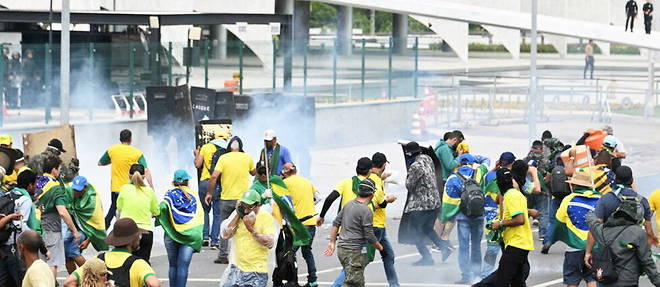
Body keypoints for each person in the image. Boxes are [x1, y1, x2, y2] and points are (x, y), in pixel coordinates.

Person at [64, 218, 161, 287]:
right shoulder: (139, 264)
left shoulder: (98, 260)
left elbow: (69, 282)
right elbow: (154, 284)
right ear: (132, 240)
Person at [323, 178, 384, 287]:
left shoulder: (348, 205)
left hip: (342, 250)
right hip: (354, 252)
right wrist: (380, 247)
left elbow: (336, 223)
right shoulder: (366, 210)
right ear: (372, 194)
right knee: (354, 283)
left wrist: (332, 242)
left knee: (351, 278)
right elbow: (369, 235)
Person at [398, 142, 451, 266]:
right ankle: (444, 248)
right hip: (435, 200)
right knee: (427, 228)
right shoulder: (428, 159)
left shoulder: (415, 166)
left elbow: (409, 185)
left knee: (413, 230)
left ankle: (427, 257)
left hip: (422, 204)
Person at [205, 136, 256, 264]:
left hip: (226, 198)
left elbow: (214, 176)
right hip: (244, 200)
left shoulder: (223, 158)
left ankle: (223, 255)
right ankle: (245, 254)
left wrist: (209, 193)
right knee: (245, 226)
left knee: (225, 226)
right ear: (241, 146)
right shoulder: (247, 157)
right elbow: (254, 173)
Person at [587, 166, 658, 253]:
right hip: (633, 248)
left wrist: (588, 252)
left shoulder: (605, 199)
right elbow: (649, 232)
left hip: (611, 249)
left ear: (615, 179)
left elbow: (595, 228)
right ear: (632, 179)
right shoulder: (642, 201)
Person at [550, 169, 600, 287]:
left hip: (574, 247)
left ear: (573, 185)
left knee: (572, 278)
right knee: (592, 277)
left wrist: (557, 237)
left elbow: (558, 221)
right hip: (595, 246)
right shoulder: (600, 198)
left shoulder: (568, 199)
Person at [585, 210, 660, 287]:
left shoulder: (601, 230)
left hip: (605, 279)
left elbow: (591, 220)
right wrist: (657, 281)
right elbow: (646, 260)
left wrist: (601, 208)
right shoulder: (637, 232)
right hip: (627, 280)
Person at [442, 154, 486, 284]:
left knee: (464, 247)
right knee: (477, 246)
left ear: (459, 164)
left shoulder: (453, 178)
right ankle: (477, 275)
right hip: (479, 216)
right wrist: (477, 158)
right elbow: (486, 161)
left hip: (463, 218)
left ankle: (466, 275)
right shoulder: (479, 173)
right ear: (472, 163)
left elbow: (448, 202)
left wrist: (447, 218)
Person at [219, 189, 276, 287]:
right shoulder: (240, 216)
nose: (246, 210)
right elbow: (226, 235)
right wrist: (238, 213)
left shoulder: (265, 217)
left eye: (249, 207)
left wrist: (251, 229)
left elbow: (269, 242)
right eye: (243, 206)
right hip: (236, 269)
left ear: (258, 205)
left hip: (256, 271)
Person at [156, 170, 203, 287]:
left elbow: (162, 206)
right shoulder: (194, 195)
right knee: (183, 267)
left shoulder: (170, 194)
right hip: (190, 236)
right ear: (187, 181)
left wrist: (156, 214)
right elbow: (200, 215)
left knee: (173, 266)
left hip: (171, 235)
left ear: (174, 181)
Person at [36, 156, 80, 280]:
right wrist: (74, 230)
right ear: (54, 170)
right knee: (51, 263)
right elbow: (62, 212)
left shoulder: (38, 181)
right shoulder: (54, 187)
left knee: (42, 264)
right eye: (59, 169)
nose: (60, 171)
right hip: (51, 230)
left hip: (37, 228)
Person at [99, 129, 153, 228]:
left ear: (120, 139)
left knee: (114, 207)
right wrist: (151, 186)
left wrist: (114, 160)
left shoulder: (112, 150)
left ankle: (105, 228)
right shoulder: (136, 152)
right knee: (129, 210)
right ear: (131, 139)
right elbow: (146, 170)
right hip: (131, 188)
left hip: (115, 188)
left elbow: (100, 163)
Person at [490, 168, 534, 287]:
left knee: (501, 280)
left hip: (516, 243)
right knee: (517, 281)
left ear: (499, 183)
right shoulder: (515, 194)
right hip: (520, 243)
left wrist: (500, 224)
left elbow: (520, 219)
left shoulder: (510, 196)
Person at [282, 165, 319, 287]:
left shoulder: (285, 183)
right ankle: (312, 281)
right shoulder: (306, 181)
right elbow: (318, 197)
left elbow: (280, 201)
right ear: (296, 171)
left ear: (284, 173)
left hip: (297, 224)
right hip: (311, 222)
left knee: (290, 252)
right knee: (307, 251)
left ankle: (292, 280)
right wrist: (309, 205)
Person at [64, 176, 109, 274]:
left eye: (78, 190)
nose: (76, 192)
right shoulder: (68, 191)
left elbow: (96, 223)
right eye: (74, 190)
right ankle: (74, 281)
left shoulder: (92, 199)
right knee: (66, 254)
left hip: (83, 230)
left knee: (72, 250)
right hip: (71, 227)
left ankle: (93, 275)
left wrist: (88, 240)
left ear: (85, 188)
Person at [116, 164, 159, 263]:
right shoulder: (149, 191)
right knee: (143, 265)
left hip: (126, 231)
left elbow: (119, 208)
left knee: (125, 264)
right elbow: (156, 211)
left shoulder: (124, 189)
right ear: (144, 176)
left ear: (129, 176)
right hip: (145, 231)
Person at [194, 131, 229, 248]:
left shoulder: (206, 147)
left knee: (205, 211)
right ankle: (214, 241)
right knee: (217, 213)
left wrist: (196, 154)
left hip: (204, 182)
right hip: (218, 183)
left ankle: (205, 236)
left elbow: (197, 165)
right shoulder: (226, 150)